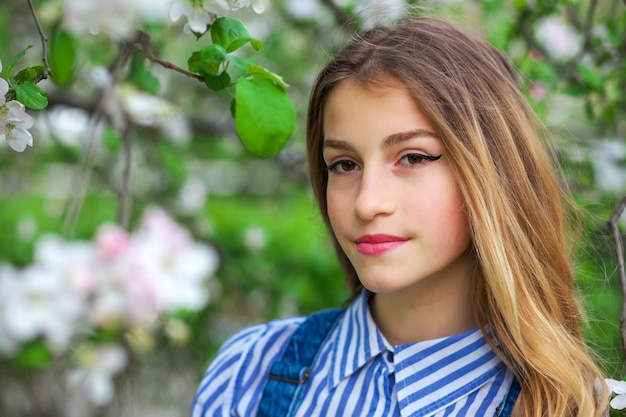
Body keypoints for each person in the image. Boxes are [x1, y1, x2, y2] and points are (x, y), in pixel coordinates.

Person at [191, 14, 608, 417]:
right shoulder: (249, 373)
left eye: (413, 157)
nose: (367, 203)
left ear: (491, 172)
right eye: (344, 165)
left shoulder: (560, 406)